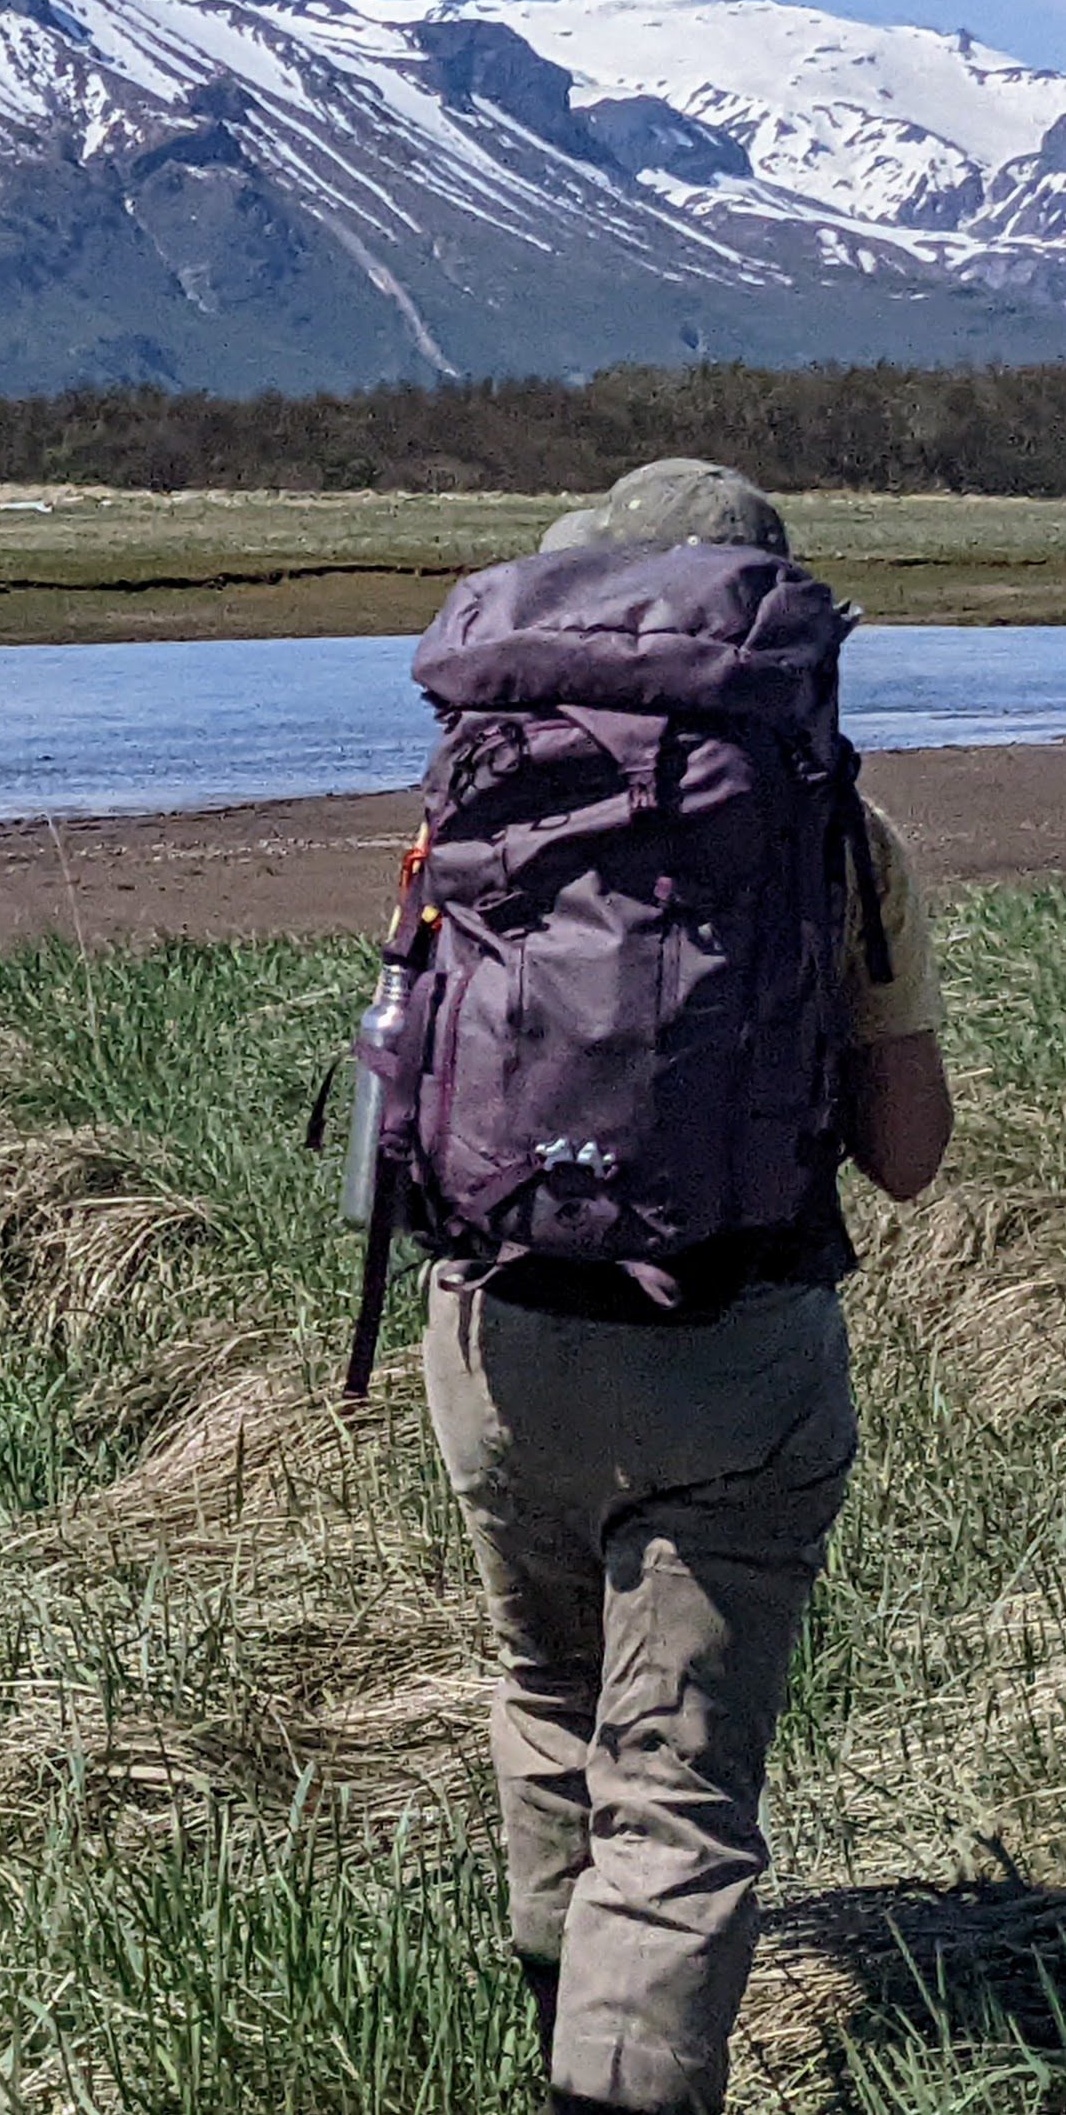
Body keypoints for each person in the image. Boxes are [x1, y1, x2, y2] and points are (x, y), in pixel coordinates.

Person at [420, 457, 954, 2115]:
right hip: (732, 1348)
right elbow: (909, 1154)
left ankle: (555, 2018)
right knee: (677, 1791)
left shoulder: (488, 794)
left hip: (497, 1336)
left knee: (546, 1689)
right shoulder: (835, 829)